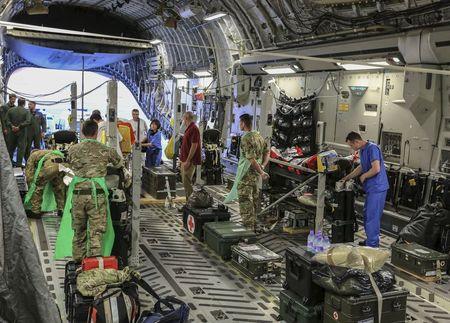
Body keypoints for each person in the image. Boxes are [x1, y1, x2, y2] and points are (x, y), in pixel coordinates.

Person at [54, 120, 124, 262]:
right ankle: (93, 268)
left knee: (79, 233)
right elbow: (119, 163)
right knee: (96, 233)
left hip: (78, 196)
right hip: (96, 197)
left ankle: (79, 265)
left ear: (82, 132)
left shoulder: (73, 149)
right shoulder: (105, 149)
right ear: (96, 132)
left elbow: (66, 164)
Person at [341, 131, 389, 248]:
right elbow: (361, 166)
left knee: (372, 216)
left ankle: (372, 246)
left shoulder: (372, 148)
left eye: (351, 145)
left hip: (378, 188)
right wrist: (347, 177)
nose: (352, 148)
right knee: (368, 214)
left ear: (357, 141)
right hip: (371, 188)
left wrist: (364, 176)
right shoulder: (362, 150)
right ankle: (370, 241)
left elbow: (376, 169)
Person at [224, 114, 270, 231]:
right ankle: (254, 224)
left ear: (243, 123)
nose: (239, 125)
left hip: (246, 173)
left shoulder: (246, 138)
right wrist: (263, 166)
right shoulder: (259, 136)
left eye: (240, 123)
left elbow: (251, 159)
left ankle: (248, 228)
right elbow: (267, 153)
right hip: (255, 174)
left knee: (245, 200)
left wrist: (261, 172)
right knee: (254, 198)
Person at [24, 149, 66, 218]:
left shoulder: (32, 156)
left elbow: (29, 175)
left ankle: (35, 211)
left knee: (37, 186)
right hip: (63, 164)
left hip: (50, 166)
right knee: (59, 188)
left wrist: (30, 188)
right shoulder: (47, 152)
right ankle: (62, 209)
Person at [179, 112, 201, 199]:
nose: (182, 120)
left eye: (183, 118)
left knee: (186, 182)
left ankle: (191, 203)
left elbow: (194, 145)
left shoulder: (194, 129)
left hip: (189, 161)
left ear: (186, 118)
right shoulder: (189, 128)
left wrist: (188, 160)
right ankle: (188, 203)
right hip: (185, 159)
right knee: (185, 182)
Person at [5, 97, 31, 167]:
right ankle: (18, 165)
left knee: (10, 149)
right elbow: (28, 121)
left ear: (17, 102)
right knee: (21, 149)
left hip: (12, 132)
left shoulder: (11, 110)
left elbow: (6, 120)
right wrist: (19, 127)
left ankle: (9, 164)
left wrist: (12, 126)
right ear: (24, 103)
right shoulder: (26, 111)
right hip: (22, 133)